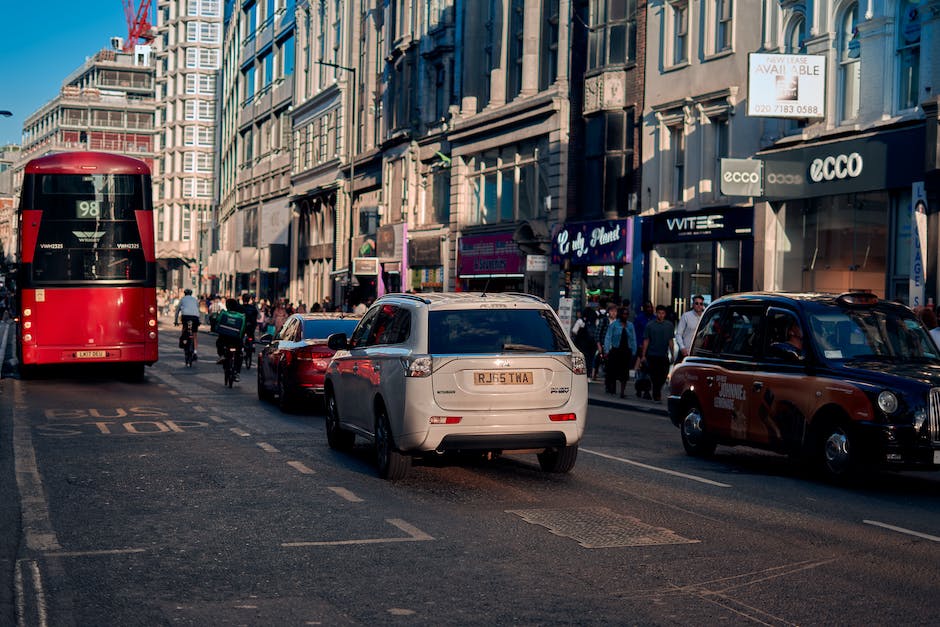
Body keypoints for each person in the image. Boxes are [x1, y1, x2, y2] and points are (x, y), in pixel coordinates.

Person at [637, 305, 675, 402]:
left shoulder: (669, 325)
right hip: (652, 355)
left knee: (663, 375)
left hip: (663, 355)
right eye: (659, 313)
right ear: (656, 313)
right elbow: (646, 341)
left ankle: (657, 391)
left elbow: (670, 341)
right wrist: (644, 355)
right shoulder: (650, 325)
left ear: (665, 314)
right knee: (654, 376)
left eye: (662, 313)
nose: (661, 315)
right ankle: (656, 393)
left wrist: (672, 354)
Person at [604, 306, 637, 398]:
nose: (625, 316)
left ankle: (622, 392)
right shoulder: (614, 325)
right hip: (616, 350)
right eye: (623, 314)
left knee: (625, 372)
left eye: (626, 314)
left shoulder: (630, 325)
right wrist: (606, 350)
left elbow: (633, 338)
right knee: (613, 370)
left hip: (626, 351)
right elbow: (608, 337)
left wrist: (634, 351)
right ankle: (612, 388)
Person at [215, 297, 246, 380]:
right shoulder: (241, 316)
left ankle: (222, 355)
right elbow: (243, 329)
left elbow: (218, 322)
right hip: (236, 339)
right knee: (239, 354)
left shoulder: (223, 313)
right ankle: (237, 373)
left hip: (225, 338)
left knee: (219, 343)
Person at [675, 295, 705, 362]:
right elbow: (678, 334)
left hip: (700, 353)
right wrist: (682, 347)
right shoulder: (686, 316)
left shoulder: (705, 317)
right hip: (686, 352)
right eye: (696, 303)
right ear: (693, 304)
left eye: (701, 304)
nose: (699, 305)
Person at [174, 288, 201, 359]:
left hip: (186, 316)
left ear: (185, 294)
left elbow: (177, 311)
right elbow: (198, 310)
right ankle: (195, 352)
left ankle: (184, 340)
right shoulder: (195, 299)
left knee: (184, 329)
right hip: (195, 317)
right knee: (194, 335)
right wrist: (199, 320)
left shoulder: (183, 299)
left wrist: (176, 321)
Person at [571, 307, 598, 379]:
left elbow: (574, 331)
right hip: (592, 344)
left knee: (580, 358)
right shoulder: (595, 322)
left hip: (581, 344)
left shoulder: (580, 321)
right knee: (590, 360)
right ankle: (588, 376)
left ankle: (579, 375)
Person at [594, 303, 616, 382]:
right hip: (604, 345)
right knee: (600, 360)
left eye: (615, 311)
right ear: (608, 312)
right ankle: (595, 373)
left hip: (614, 346)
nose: (613, 313)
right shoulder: (604, 321)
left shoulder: (618, 322)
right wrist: (599, 345)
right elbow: (597, 334)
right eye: (611, 311)